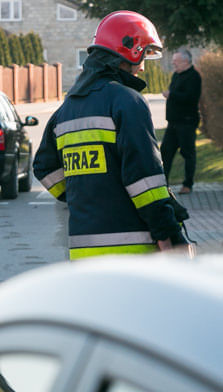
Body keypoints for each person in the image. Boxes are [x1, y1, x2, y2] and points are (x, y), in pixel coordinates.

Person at [33, 10, 189, 260]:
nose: (143, 67)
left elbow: (43, 167)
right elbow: (145, 180)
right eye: (144, 55)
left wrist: (86, 192)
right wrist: (168, 236)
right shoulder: (127, 101)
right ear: (130, 50)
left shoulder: (67, 108)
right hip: (134, 251)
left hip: (83, 252)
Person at [161, 48, 202, 194]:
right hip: (173, 122)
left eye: (176, 61)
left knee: (187, 153)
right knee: (165, 152)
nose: (173, 64)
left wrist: (172, 95)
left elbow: (190, 98)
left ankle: (188, 184)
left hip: (187, 122)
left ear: (186, 62)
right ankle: (162, 184)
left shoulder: (194, 77)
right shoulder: (176, 75)